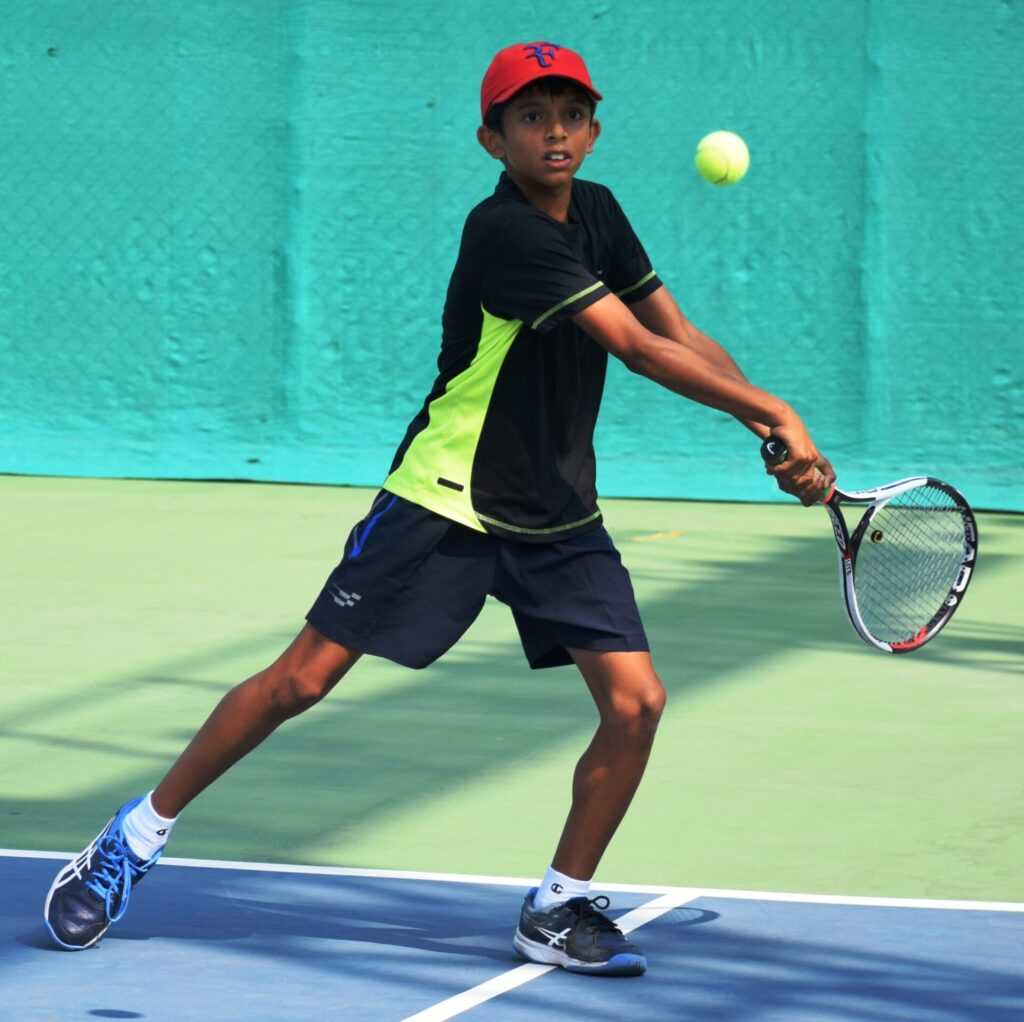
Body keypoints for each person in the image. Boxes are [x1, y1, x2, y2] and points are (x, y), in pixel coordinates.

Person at [44, 40, 833, 976]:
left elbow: (679, 330)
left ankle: (558, 905)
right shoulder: (506, 233)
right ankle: (133, 837)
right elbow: (635, 348)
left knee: (637, 703)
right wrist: (777, 411)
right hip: (444, 502)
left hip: (557, 511)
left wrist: (769, 429)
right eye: (530, 117)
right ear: (491, 139)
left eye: (570, 115)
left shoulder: (600, 211)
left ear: (593, 130)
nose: (553, 132)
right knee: (300, 682)